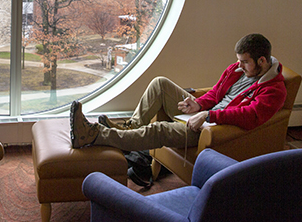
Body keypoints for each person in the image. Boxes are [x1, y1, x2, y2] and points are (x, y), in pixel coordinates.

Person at [70, 33, 287, 151]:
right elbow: (216, 93)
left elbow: (250, 117)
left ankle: (94, 135)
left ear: (261, 61)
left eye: (244, 63)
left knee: (159, 130)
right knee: (160, 83)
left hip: (214, 128)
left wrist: (208, 115)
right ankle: (132, 127)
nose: (238, 66)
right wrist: (199, 104)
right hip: (205, 115)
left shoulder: (274, 90)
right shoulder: (237, 70)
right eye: (238, 61)